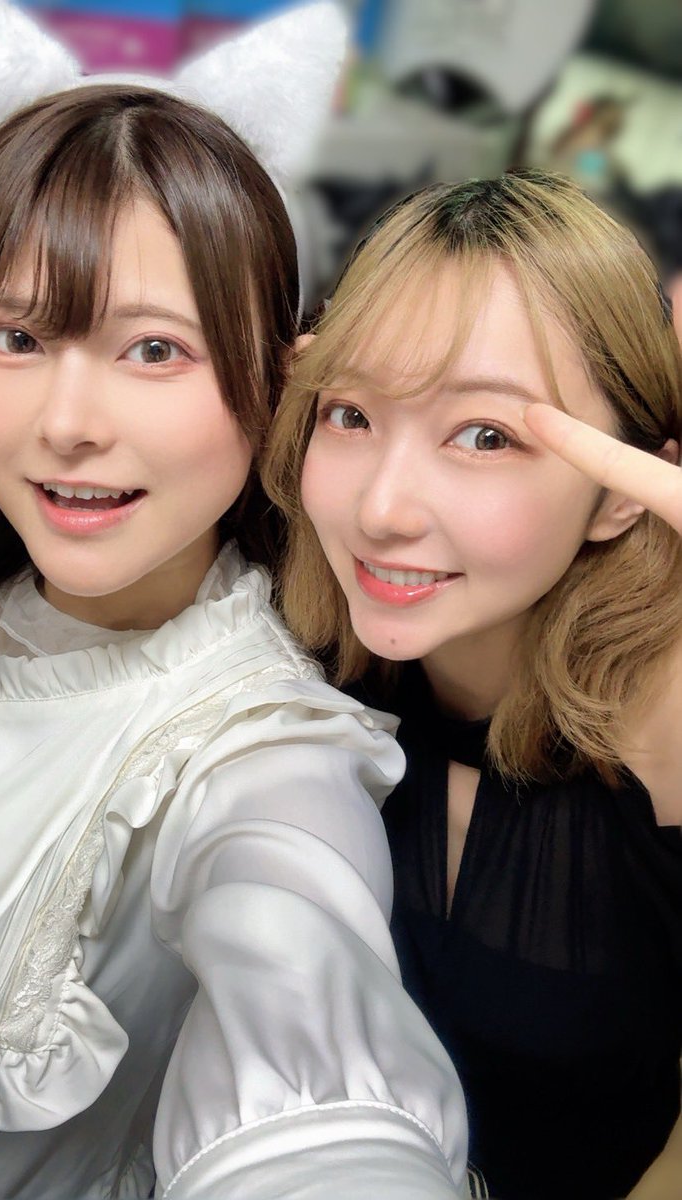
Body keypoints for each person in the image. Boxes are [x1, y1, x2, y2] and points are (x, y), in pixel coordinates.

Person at [0, 4, 469, 1198]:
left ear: (277, 379)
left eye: (154, 351)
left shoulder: (258, 756)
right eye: (17, 336)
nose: (66, 423)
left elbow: (303, 996)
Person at [263, 170, 682, 1200]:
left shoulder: (668, 720)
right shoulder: (283, 636)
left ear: (619, 497)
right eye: (351, 415)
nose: (382, 509)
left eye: (486, 435)